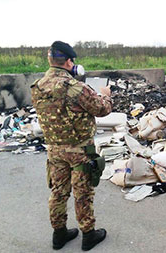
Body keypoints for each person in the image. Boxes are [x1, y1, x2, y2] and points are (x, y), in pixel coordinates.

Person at [30, 41, 112, 251]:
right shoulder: (75, 87)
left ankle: (59, 235)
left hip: (54, 149)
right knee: (82, 193)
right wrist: (106, 95)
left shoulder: (38, 86)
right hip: (79, 150)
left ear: (50, 60)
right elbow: (101, 109)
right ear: (69, 62)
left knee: (58, 192)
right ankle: (88, 235)